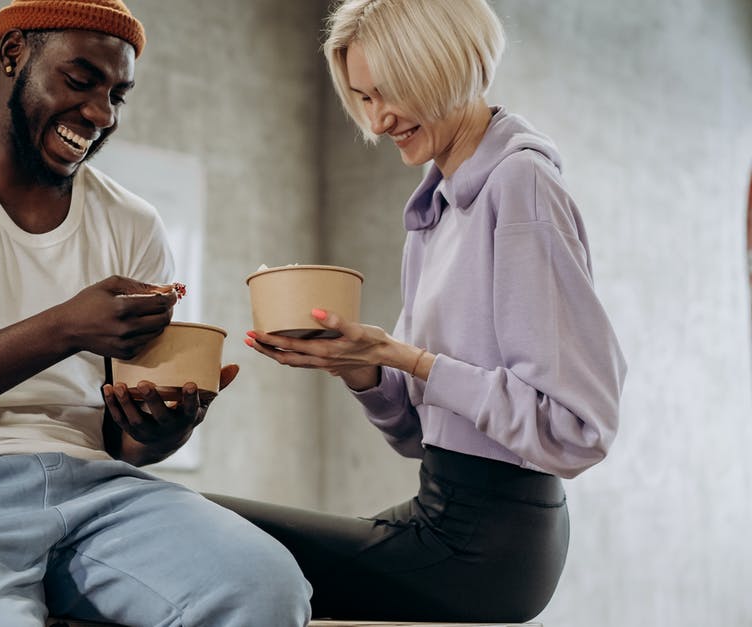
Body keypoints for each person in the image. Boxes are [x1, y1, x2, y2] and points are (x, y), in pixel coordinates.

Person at [0, 1, 312, 626]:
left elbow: (123, 443)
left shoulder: (133, 223)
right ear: (13, 57)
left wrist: (161, 429)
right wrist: (64, 327)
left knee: (265, 586)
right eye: (81, 79)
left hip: (96, 492)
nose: (101, 113)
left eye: (118, 93)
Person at [212, 0, 627, 622]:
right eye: (363, 99)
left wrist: (405, 356)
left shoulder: (521, 187)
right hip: (441, 512)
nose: (378, 122)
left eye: (389, 93)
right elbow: (415, 434)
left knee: (209, 532)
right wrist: (360, 368)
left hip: (494, 545)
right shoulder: (432, 213)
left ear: (445, 66)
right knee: (198, 528)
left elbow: (578, 428)